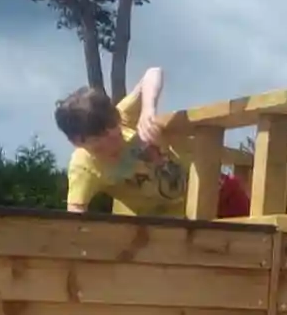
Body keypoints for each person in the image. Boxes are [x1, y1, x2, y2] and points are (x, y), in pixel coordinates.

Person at [55, 68, 190, 216]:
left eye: (117, 133)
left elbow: (153, 73)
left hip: (207, 185)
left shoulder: (124, 116)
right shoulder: (83, 167)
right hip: (173, 223)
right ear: (77, 142)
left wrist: (147, 111)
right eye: (101, 144)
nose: (115, 144)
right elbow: (75, 212)